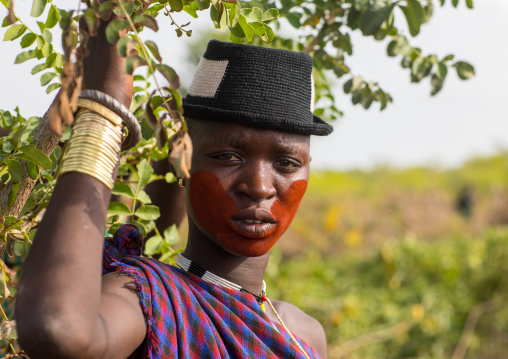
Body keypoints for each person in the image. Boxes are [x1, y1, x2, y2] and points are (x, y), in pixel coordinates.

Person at [15, 17, 332, 359]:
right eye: (228, 156)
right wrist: (105, 106)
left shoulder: (306, 335)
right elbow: (56, 332)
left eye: (286, 163)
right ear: (184, 161)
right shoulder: (144, 298)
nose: (258, 187)